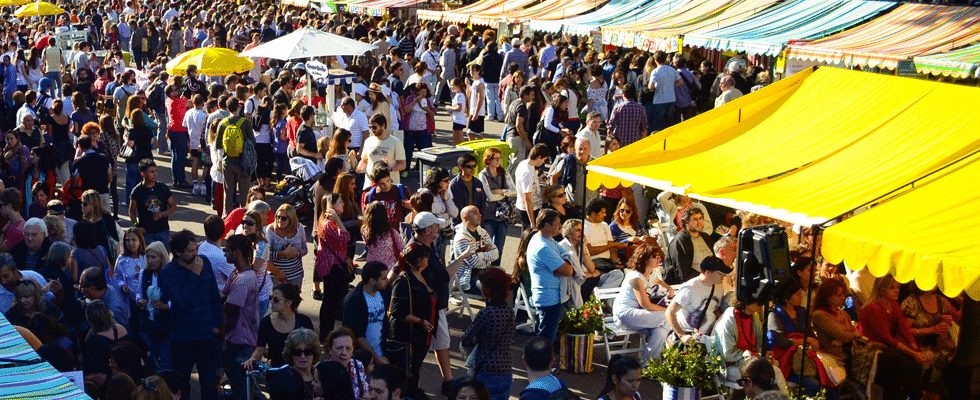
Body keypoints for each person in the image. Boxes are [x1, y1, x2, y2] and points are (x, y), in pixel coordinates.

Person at [158, 230, 222, 400]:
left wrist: (217, 324)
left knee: (209, 383)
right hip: (182, 338)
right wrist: (194, 274)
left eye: (196, 249)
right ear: (178, 252)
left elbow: (214, 294)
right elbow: (180, 301)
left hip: (207, 336)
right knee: (182, 384)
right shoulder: (168, 272)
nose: (195, 254)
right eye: (190, 251)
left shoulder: (204, 262)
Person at [859, 275, 926, 400]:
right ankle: (918, 396)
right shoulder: (873, 309)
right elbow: (886, 338)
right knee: (896, 362)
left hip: (886, 350)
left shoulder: (893, 305)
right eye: (892, 288)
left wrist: (915, 350)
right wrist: (912, 352)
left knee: (914, 365)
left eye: (897, 287)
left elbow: (904, 328)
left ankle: (913, 396)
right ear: (882, 290)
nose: (897, 290)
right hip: (871, 351)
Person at [387, 242, 436, 397]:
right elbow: (396, 310)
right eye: (427, 257)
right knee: (408, 376)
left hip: (423, 338)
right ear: (419, 260)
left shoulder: (424, 275)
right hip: (408, 338)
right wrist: (420, 321)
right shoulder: (404, 280)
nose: (429, 260)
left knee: (414, 372)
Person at [460, 267, 515, 400]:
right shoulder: (510, 312)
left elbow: (466, 339)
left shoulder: (486, 313)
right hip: (506, 371)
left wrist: (477, 340)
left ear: (488, 289)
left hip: (486, 370)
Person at [767, 279, 827, 397]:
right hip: (786, 361)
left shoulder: (801, 312)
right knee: (813, 384)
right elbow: (781, 341)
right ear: (786, 297)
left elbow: (811, 335)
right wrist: (806, 341)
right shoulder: (774, 315)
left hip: (804, 357)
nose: (801, 296)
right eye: (798, 294)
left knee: (829, 377)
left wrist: (812, 344)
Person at [612, 243, 672, 360]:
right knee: (667, 317)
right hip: (625, 315)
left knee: (660, 331)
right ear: (644, 258)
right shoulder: (635, 277)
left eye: (659, 256)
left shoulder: (651, 272)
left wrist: (668, 287)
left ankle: (648, 367)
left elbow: (658, 280)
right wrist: (668, 310)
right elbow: (646, 305)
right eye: (654, 256)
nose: (658, 259)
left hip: (639, 315)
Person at [221, 234, 261, 400]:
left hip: (243, 341)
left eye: (227, 250)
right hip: (237, 338)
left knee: (244, 387)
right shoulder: (237, 273)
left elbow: (229, 307)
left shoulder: (244, 280)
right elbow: (223, 294)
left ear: (236, 253)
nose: (225, 254)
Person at [527, 209, 575, 344]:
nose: (561, 226)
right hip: (549, 300)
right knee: (545, 340)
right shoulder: (542, 246)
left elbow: (569, 256)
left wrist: (564, 264)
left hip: (553, 297)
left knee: (545, 337)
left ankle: (540, 362)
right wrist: (564, 267)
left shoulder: (549, 240)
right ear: (547, 226)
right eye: (558, 223)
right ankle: (540, 363)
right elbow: (569, 271)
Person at [244, 283, 314, 370]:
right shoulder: (266, 322)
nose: (271, 301)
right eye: (271, 298)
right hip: (276, 373)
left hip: (300, 372)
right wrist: (252, 360)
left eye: (276, 299)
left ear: (289, 302)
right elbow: (259, 350)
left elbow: (313, 349)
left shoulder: (304, 321)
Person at [666, 256, 730, 341]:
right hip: (690, 337)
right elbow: (669, 312)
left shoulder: (719, 287)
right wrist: (682, 335)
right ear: (707, 272)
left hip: (709, 337)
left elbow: (716, 310)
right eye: (720, 273)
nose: (724, 276)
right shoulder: (690, 288)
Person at [315, 193, 352, 335]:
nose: (343, 204)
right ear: (331, 206)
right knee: (330, 303)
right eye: (340, 202)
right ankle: (325, 334)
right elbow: (346, 237)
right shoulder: (329, 224)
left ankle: (327, 332)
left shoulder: (329, 222)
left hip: (335, 266)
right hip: (332, 268)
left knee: (333, 301)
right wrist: (338, 220)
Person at [342, 261, 390, 368]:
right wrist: (376, 358)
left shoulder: (383, 291)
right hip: (362, 360)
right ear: (372, 281)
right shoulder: (353, 301)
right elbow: (358, 336)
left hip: (381, 353)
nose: (387, 280)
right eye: (383, 278)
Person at [136, 241, 172, 371]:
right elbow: (139, 292)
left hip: (165, 325)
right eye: (148, 257)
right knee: (149, 359)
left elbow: (177, 298)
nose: (150, 260)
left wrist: (166, 306)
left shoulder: (169, 274)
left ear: (162, 257)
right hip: (148, 323)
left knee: (166, 359)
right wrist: (139, 300)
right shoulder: (144, 273)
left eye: (154, 257)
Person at [215, 97, 255, 212]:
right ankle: (245, 217)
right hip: (243, 162)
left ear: (228, 108)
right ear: (239, 106)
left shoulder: (223, 123)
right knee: (244, 194)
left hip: (228, 162)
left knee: (228, 192)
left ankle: (227, 217)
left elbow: (218, 145)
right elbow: (253, 142)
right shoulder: (245, 123)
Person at [811, 278, 862, 368]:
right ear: (828, 297)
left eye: (843, 294)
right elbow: (844, 335)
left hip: (851, 350)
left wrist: (842, 340)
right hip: (836, 357)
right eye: (839, 295)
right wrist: (847, 336)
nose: (843, 298)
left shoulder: (843, 313)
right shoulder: (820, 315)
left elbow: (855, 334)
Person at [82, 300, 133, 387]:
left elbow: (90, 365)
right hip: (127, 376)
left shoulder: (94, 341)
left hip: (107, 381)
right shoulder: (123, 329)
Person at [713, 297, 766, 382]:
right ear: (747, 304)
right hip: (730, 366)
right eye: (758, 303)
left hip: (752, 362)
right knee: (760, 374)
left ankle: (781, 395)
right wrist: (752, 356)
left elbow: (759, 344)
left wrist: (762, 355)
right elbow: (728, 354)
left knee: (774, 370)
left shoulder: (754, 317)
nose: (761, 306)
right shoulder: (728, 320)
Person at [478, 147, 515, 265]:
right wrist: (505, 193)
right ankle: (486, 269)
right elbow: (489, 197)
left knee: (500, 246)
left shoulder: (505, 172)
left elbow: (514, 191)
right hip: (488, 215)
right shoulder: (483, 175)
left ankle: (496, 270)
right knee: (488, 246)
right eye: (495, 159)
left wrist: (501, 191)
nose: (498, 161)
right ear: (488, 160)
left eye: (500, 158)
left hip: (503, 216)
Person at [129, 159, 177, 247]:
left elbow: (173, 207)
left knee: (164, 258)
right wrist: (136, 226)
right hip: (146, 233)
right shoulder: (137, 191)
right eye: (151, 172)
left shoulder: (163, 188)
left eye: (155, 171)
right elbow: (132, 212)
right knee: (149, 259)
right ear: (143, 174)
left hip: (163, 231)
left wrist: (163, 214)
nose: (155, 174)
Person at [451, 206, 499, 293]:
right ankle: (493, 307)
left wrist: (479, 255)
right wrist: (487, 255)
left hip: (484, 273)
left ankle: (505, 306)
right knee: (493, 288)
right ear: (466, 218)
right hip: (468, 279)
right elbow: (475, 263)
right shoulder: (461, 238)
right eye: (475, 213)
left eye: (479, 213)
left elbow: (496, 254)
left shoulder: (482, 232)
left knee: (508, 282)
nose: (480, 215)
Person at [266, 328, 322, 400]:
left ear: (314, 353)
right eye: (297, 352)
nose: (302, 356)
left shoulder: (321, 375)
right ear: (290, 354)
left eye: (307, 352)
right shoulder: (281, 378)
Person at [664, 207, 716, 285]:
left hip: (711, 279)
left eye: (701, 218)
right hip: (693, 283)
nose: (699, 222)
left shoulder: (705, 237)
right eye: (695, 219)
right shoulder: (679, 242)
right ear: (686, 222)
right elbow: (682, 272)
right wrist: (705, 277)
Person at [357, 114, 406, 188]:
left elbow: (403, 164)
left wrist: (390, 169)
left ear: (383, 126)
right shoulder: (368, 141)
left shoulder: (396, 142)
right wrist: (357, 170)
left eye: (374, 127)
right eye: (370, 127)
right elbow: (364, 160)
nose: (372, 130)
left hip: (389, 186)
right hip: (370, 185)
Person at [321, 327, 371, 400]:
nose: (344, 353)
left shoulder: (358, 365)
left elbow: (365, 391)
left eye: (348, 348)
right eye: (339, 348)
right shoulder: (321, 371)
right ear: (330, 350)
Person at [266, 204, 308, 287]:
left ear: (291, 219)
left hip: (295, 275)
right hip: (276, 276)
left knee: (294, 299)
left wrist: (297, 253)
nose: (279, 220)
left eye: (283, 218)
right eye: (278, 217)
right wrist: (283, 253)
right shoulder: (271, 230)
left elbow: (305, 249)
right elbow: (267, 255)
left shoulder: (299, 228)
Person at [515, 144, 550, 230]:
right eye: (543, 159)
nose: (543, 162)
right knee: (530, 236)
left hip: (525, 208)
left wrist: (538, 180)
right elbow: (528, 198)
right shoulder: (528, 173)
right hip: (529, 210)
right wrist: (532, 222)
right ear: (539, 157)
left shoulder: (524, 164)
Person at [0, 188, 26, 253]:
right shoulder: (12, 223)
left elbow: (1, 250)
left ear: (9, 206)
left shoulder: (17, 230)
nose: (0, 209)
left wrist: (3, 231)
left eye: (1, 205)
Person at [467, 64, 487, 140]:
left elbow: (480, 99)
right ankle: (476, 148)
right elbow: (468, 95)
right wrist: (468, 85)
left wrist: (476, 113)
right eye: (470, 70)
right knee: (473, 132)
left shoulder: (480, 83)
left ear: (478, 71)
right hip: (473, 111)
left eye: (473, 70)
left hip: (478, 112)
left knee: (472, 132)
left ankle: (476, 148)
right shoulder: (475, 82)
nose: (471, 72)